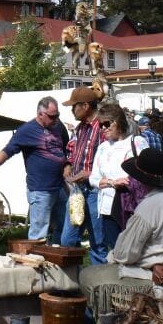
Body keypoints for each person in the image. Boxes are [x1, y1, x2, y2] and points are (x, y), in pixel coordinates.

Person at [80, 147, 163, 317]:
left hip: (160, 281)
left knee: (89, 275)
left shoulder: (149, 206)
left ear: (141, 179)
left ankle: (106, 323)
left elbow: (125, 254)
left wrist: (113, 256)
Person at [0, 96, 69, 244]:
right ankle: (36, 262)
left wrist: (67, 164)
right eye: (52, 116)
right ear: (40, 114)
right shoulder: (26, 130)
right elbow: (7, 151)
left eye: (57, 115)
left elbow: (66, 148)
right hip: (40, 190)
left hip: (59, 187)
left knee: (65, 225)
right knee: (39, 232)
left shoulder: (59, 126)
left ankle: (60, 259)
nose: (56, 119)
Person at [90, 102, 148, 256]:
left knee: (135, 250)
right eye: (100, 124)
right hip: (107, 208)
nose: (103, 128)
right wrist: (111, 182)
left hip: (131, 206)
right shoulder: (103, 147)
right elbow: (94, 178)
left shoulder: (137, 143)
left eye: (106, 124)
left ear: (118, 122)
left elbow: (146, 173)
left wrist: (126, 181)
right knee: (116, 251)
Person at [60, 87, 106, 262]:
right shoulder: (80, 129)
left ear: (85, 106)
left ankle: (99, 284)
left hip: (96, 190)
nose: (72, 110)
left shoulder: (103, 127)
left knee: (98, 242)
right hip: (78, 190)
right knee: (68, 239)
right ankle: (72, 283)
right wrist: (68, 164)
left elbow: (110, 158)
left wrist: (92, 173)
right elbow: (71, 149)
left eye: (74, 106)